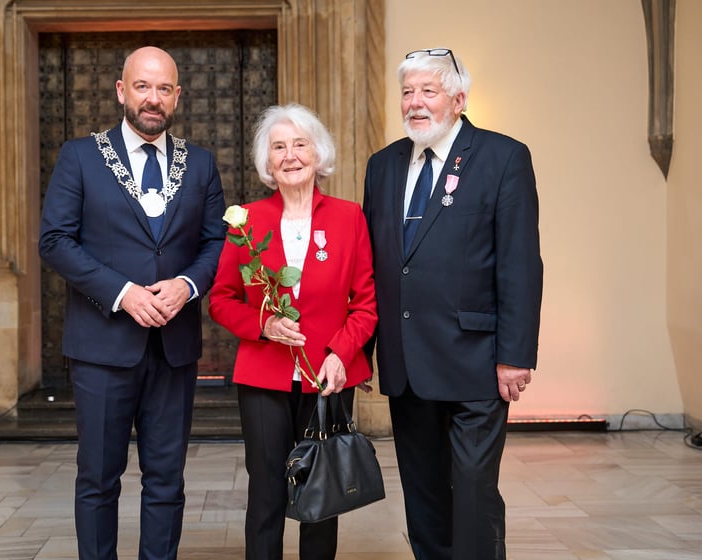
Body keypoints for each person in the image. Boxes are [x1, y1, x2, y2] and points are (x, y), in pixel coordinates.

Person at [38, 46, 225, 560]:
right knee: (98, 478)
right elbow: (55, 240)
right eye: (143, 86)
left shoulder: (201, 163)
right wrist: (122, 293)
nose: (153, 98)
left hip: (173, 348)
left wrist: (187, 285)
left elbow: (216, 244)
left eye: (164, 88)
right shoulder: (80, 156)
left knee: (167, 479)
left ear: (178, 96)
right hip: (102, 347)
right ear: (122, 91)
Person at [362, 49, 543, 559]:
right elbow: (374, 265)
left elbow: (520, 264)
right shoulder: (383, 165)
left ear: (459, 99)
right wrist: (361, 350)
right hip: (406, 363)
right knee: (423, 495)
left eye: (428, 91)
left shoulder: (503, 157)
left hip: (476, 360)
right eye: (407, 92)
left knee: (472, 490)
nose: (415, 103)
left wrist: (516, 354)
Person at [208, 103, 377, 560]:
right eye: (278, 147)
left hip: (329, 375)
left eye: (300, 144)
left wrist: (341, 354)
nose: (290, 155)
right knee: (266, 489)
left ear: (318, 154)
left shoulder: (349, 217)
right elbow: (221, 300)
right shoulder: (245, 221)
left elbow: (366, 304)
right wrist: (263, 325)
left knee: (321, 494)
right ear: (267, 162)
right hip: (264, 374)